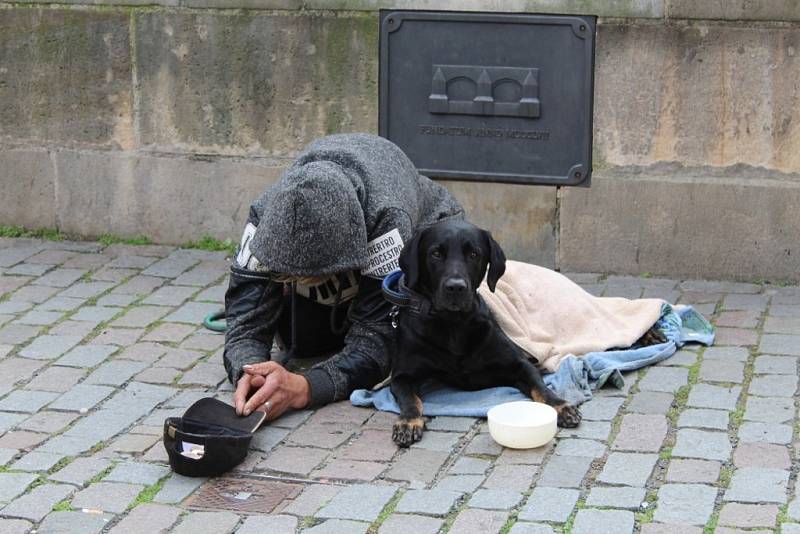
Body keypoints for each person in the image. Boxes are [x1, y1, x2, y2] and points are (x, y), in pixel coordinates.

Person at [223, 133, 464, 420]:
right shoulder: (266, 214)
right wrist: (251, 370)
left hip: (427, 238)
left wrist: (305, 388)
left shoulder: (388, 217)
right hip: (348, 252)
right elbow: (245, 321)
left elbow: (377, 342)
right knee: (304, 340)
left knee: (418, 337)